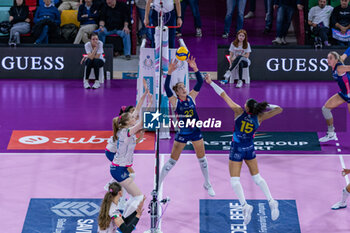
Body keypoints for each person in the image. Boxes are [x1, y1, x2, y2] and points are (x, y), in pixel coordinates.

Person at [205, 74, 282, 225]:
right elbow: (279, 109)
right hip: (250, 148)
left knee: (234, 181)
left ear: (246, 108)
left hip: (237, 149)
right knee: (257, 178)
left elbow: (223, 94)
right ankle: (272, 201)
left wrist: (210, 83)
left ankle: (245, 206)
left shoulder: (238, 112)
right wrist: (265, 105)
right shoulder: (259, 117)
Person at [159, 57, 215, 197]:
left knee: (202, 159)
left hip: (196, 132)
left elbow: (200, 82)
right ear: (177, 92)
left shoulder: (191, 97)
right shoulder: (175, 101)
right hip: (183, 134)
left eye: (184, 86)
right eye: (180, 88)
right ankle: (158, 185)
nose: (183, 88)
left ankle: (207, 183)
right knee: (172, 161)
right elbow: (166, 88)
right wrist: (169, 72)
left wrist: (195, 68)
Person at [109, 96, 152, 218]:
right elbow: (141, 123)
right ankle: (124, 225)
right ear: (128, 122)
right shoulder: (126, 132)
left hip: (120, 168)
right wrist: (153, 109)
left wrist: (149, 104)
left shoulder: (126, 129)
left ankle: (122, 218)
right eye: (132, 118)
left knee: (135, 196)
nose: (135, 118)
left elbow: (138, 115)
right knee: (139, 197)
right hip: (118, 169)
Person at [319, 49, 350, 142]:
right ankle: (331, 133)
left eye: (330, 58)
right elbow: (346, 53)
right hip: (343, 94)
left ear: (336, 60)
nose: (328, 60)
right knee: (325, 109)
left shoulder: (340, 68)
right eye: (327, 58)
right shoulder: (338, 62)